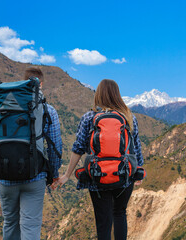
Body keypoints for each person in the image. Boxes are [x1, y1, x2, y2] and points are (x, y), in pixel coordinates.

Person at [53, 79, 144, 240]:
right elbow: (136, 148)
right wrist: (138, 172)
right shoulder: (129, 117)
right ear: (118, 95)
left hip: (98, 176)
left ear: (98, 95)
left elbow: (78, 148)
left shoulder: (89, 117)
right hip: (124, 175)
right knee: (120, 213)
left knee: (103, 221)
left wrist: (67, 175)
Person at [0, 67, 63, 240]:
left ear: (24, 82)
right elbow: (55, 146)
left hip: (5, 176)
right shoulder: (48, 110)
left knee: (10, 223)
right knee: (30, 226)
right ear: (40, 84)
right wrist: (54, 173)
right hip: (35, 176)